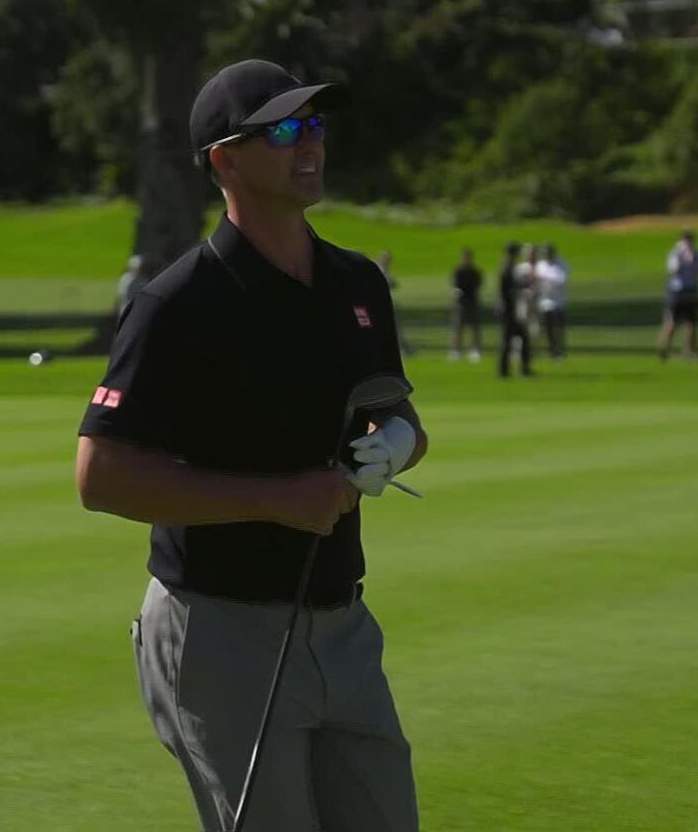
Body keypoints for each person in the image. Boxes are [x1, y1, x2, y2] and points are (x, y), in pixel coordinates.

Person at [75, 59, 425, 832]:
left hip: (343, 627)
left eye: (315, 125)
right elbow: (101, 475)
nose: (310, 144)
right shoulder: (177, 304)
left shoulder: (357, 284)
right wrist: (276, 500)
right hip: (221, 630)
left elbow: (396, 414)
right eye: (285, 130)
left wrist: (395, 445)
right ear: (225, 162)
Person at [659, 229, 698, 361]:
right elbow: (673, 270)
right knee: (672, 322)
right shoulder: (675, 254)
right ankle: (664, 349)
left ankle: (689, 351)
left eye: (691, 239)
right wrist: (684, 259)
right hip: (677, 291)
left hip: (691, 290)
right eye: (687, 239)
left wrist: (692, 260)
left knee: (691, 323)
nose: (689, 241)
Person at [499, 241, 533, 377]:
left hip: (510, 309)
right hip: (509, 310)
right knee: (510, 340)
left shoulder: (508, 266)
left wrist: (523, 284)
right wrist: (522, 286)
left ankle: (510, 370)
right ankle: (510, 370)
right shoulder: (507, 268)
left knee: (515, 339)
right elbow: (508, 290)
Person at [377, 250, 417, 356]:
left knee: (396, 328)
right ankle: (403, 349)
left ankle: (404, 349)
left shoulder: (385, 270)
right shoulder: (379, 270)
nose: (389, 262)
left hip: (387, 305)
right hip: (381, 306)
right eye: (387, 259)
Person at [449, 246, 483, 363]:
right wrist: (456, 292)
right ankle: (456, 350)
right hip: (461, 302)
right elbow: (455, 286)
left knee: (474, 327)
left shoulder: (475, 272)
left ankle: (476, 349)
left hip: (472, 301)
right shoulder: (458, 271)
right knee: (458, 326)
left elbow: (478, 285)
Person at [536, 243, 569, 359]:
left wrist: (544, 278)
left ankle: (560, 349)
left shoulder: (561, 264)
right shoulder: (540, 265)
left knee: (559, 328)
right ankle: (552, 350)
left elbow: (561, 280)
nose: (546, 255)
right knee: (548, 328)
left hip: (558, 302)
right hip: (545, 302)